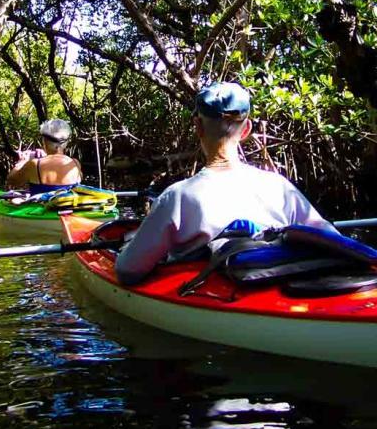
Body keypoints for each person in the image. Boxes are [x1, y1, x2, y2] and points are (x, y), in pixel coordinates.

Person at [115, 81, 338, 286]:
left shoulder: (177, 197)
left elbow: (128, 270)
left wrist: (125, 249)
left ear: (198, 127)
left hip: (211, 297)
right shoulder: (281, 188)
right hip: (283, 287)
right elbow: (333, 240)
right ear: (247, 129)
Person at [7, 119, 82, 195]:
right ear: (65, 143)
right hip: (69, 205)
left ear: (44, 141)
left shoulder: (35, 164)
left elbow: (11, 182)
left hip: (43, 206)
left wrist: (22, 161)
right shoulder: (75, 164)